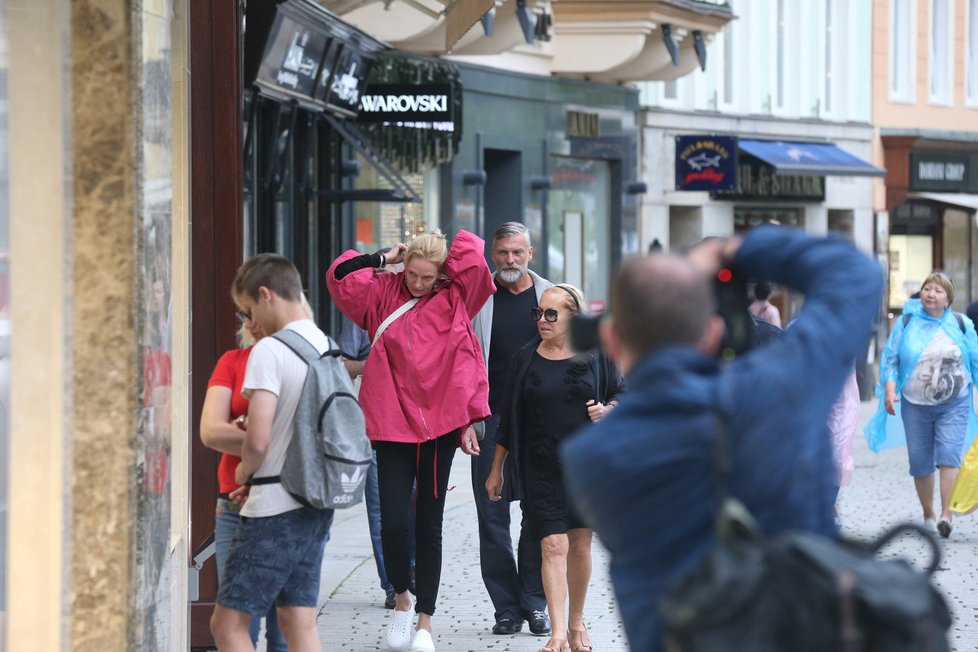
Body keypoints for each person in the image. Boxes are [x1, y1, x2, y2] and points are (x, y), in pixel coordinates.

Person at [559, 226, 882, 651]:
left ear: (613, 340)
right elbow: (855, 275)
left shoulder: (589, 457)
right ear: (712, 334)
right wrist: (737, 250)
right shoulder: (779, 391)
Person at [327, 229, 494, 652]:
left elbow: (475, 258)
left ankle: (425, 621)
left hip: (440, 427)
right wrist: (383, 259)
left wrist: (445, 255)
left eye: (427, 277)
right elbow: (339, 275)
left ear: (440, 274)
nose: (418, 284)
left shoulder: (457, 297)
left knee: (430, 526)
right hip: (390, 422)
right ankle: (402, 597)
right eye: (413, 275)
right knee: (394, 523)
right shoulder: (381, 292)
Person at [486, 284, 624, 652]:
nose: (542, 320)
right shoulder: (524, 357)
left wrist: (607, 410)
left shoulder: (597, 354)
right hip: (539, 465)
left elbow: (624, 394)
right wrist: (497, 468)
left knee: (579, 545)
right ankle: (558, 632)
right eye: (538, 313)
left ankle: (577, 624)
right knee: (551, 545)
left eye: (551, 314)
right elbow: (508, 418)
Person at [210, 254, 336, 652]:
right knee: (298, 620)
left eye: (249, 309)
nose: (251, 322)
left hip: (273, 507)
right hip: (314, 501)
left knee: (227, 625)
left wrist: (247, 474)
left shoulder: (270, 351)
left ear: (265, 295)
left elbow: (258, 439)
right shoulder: (324, 344)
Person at [468, 222, 550, 637]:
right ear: (493, 255)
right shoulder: (480, 299)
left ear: (530, 254)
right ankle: (506, 608)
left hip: (539, 422)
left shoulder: (550, 297)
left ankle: (535, 602)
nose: (510, 261)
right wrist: (467, 418)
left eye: (518, 253)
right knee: (492, 515)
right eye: (503, 253)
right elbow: (463, 362)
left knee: (538, 513)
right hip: (489, 421)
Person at [200, 308, 287, 651]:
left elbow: (302, 435)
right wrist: (260, 433)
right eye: (245, 314)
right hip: (232, 501)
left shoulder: (293, 363)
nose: (250, 322)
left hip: (284, 501)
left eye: (257, 313)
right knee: (237, 623)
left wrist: (243, 428)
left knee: (283, 625)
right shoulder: (232, 361)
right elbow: (210, 431)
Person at [871, 272, 978, 538]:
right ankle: (929, 514)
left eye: (938, 290)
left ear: (948, 298)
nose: (931, 294)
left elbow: (976, 360)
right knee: (920, 461)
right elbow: (891, 360)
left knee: (949, 456)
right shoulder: (906, 323)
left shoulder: (961, 323)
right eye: (927, 289)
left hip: (955, 401)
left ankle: (946, 514)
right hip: (915, 403)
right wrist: (889, 389)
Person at [337, 313, 417, 610]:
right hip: (374, 427)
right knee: (380, 510)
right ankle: (393, 584)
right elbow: (343, 364)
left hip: (418, 425)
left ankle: (412, 569)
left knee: (416, 505)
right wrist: (379, 363)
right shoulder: (363, 312)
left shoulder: (426, 304)